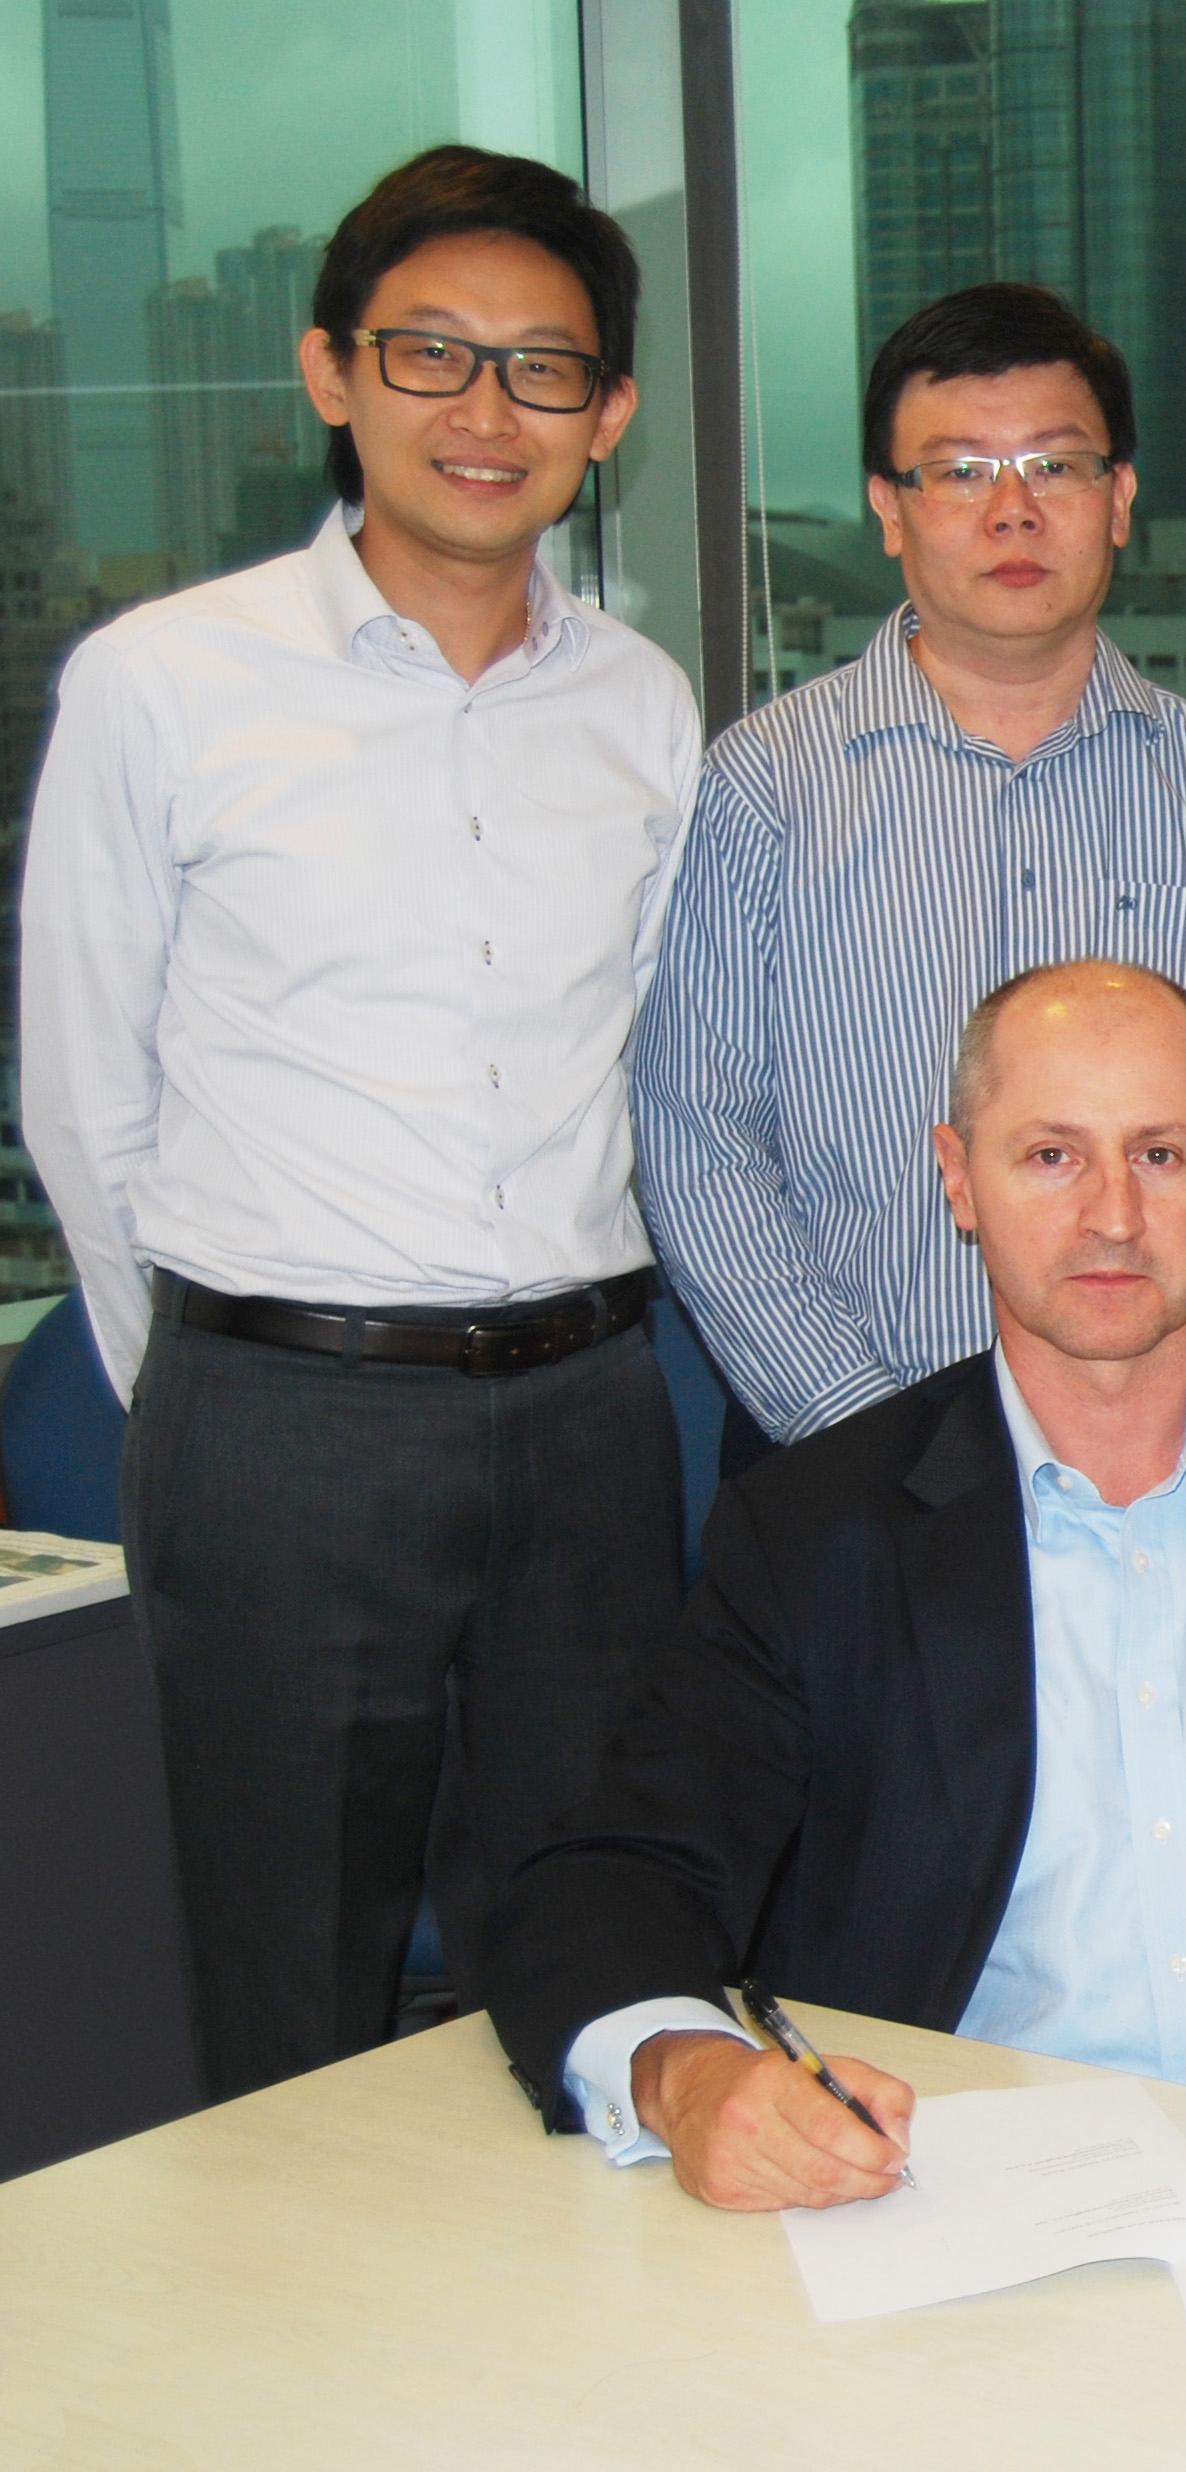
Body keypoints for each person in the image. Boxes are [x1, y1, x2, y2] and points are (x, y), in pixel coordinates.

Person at [489, 962, 1186, 2200]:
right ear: (957, 1177)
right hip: (960, 2204)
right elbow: (610, 1875)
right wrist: (685, 2073)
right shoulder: (818, 1533)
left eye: (1160, 1155)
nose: (1113, 1217)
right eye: (1051, 1157)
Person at [19, 146, 697, 2101]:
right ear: (331, 373)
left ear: (607, 416)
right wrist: (222, 1390)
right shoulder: (164, 682)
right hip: (283, 1422)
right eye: (431, 353)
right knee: (287, 1991)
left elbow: (637, 1051)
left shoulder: (642, 707)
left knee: (593, 1966)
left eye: (542, 367)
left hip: (588, 1423)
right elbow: (83, 1093)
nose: (486, 409)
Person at [635, 284, 1186, 1463]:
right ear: (889, 509)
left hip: (1178, 1465)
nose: (1013, 511)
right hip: (838, 1460)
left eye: (1056, 467)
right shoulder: (767, 790)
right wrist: (876, 1448)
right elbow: (700, 1145)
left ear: (1120, 498)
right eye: (961, 472)